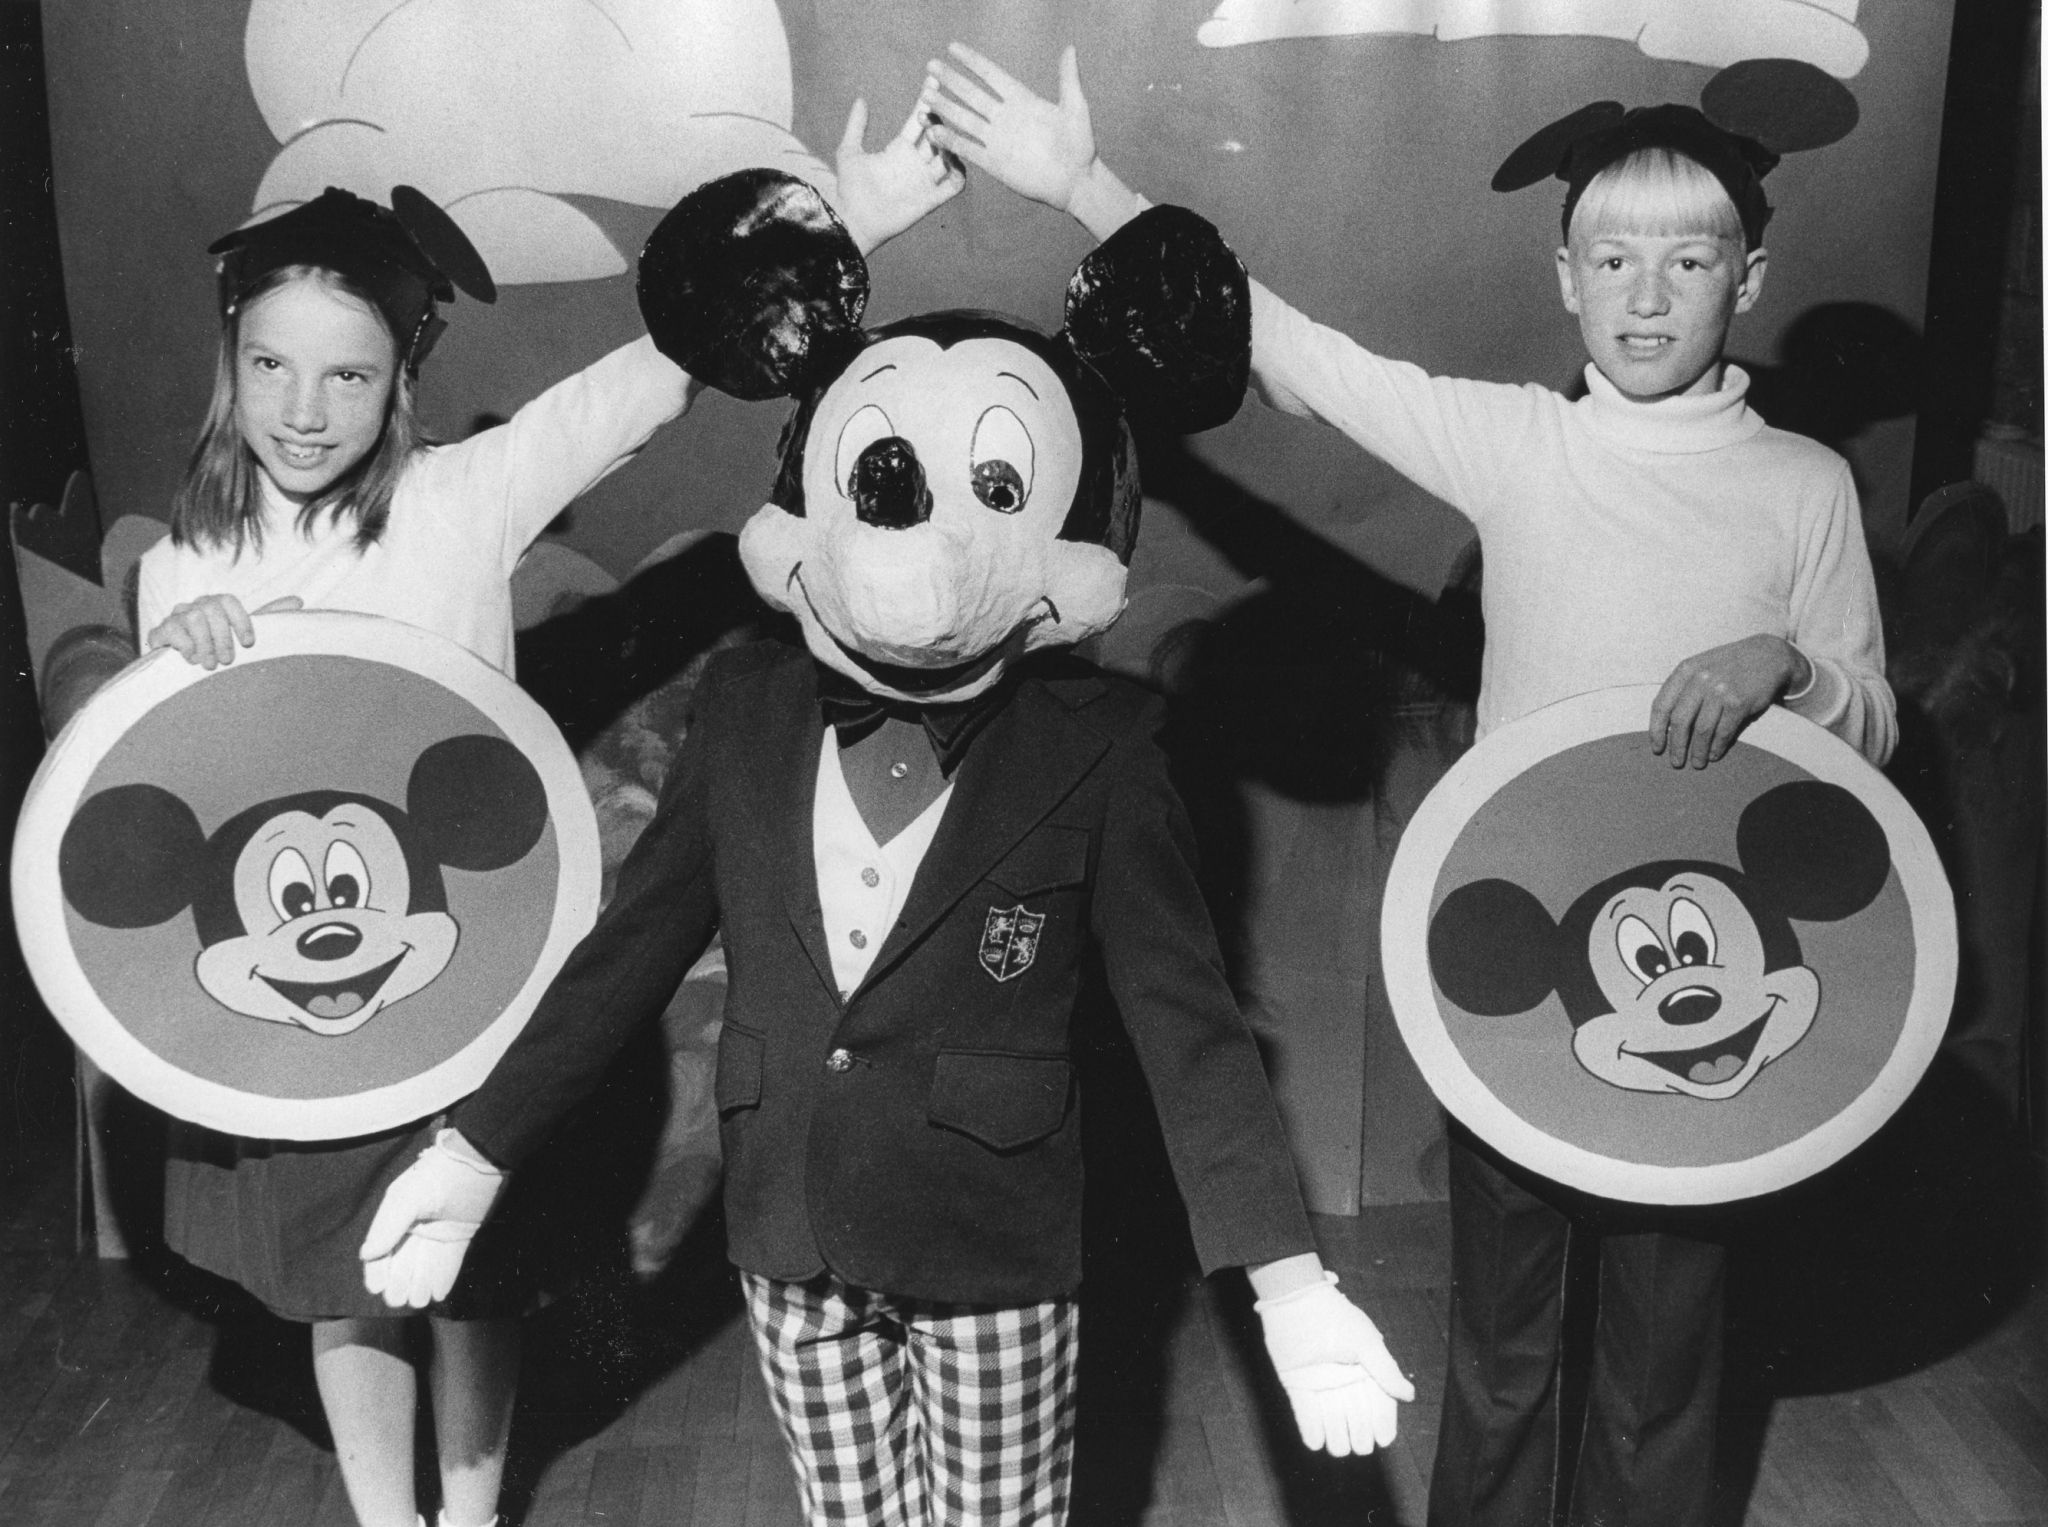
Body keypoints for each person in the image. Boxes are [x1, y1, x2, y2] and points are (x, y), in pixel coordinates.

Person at [915, 42, 1894, 1527]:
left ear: (1748, 277)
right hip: (1520, 977)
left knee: (1665, 1354)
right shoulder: (1523, 446)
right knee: (1502, 1344)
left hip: (1722, 987)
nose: (1645, 296)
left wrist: (1789, 671)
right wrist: (1084, 186)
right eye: (1610, 259)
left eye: (1687, 260)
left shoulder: (1805, 486)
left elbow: (1874, 730)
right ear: (1564, 278)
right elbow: (1300, 357)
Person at [351, 169, 1417, 1527]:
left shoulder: (1107, 750)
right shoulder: (743, 712)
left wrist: (1292, 1283)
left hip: (995, 1249)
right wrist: (472, 1152)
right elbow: (623, 963)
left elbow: (1191, 1034)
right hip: (791, 1237)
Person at [135, 103, 963, 1527]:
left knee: (474, 1265)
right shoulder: (188, 561)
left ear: (401, 380)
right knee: (346, 1273)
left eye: (347, 373)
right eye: (271, 365)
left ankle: (468, 1518)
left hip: (470, 970)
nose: (304, 406)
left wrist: (852, 216)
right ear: (232, 367)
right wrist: (177, 651)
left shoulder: (464, 499)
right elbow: (160, 800)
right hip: (304, 988)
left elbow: (654, 374)